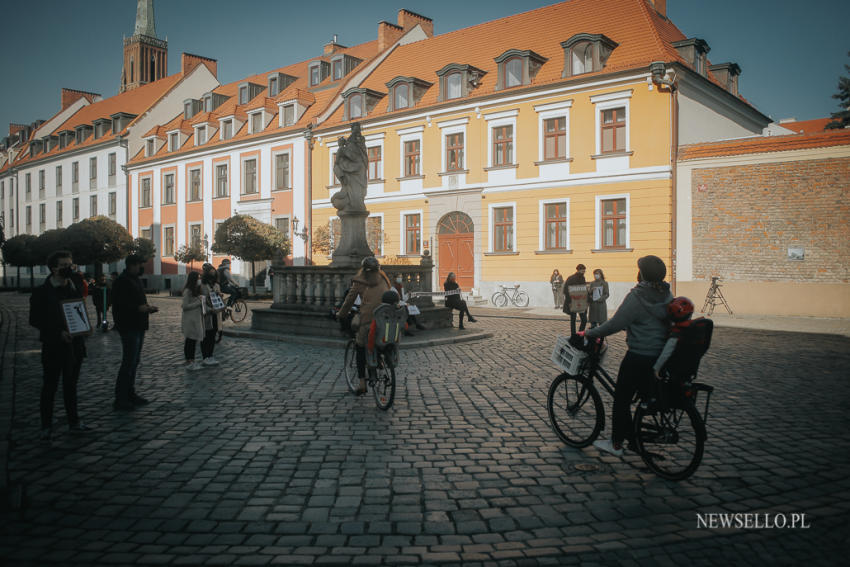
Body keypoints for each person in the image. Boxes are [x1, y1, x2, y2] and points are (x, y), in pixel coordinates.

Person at [584, 255, 673, 456]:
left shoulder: (638, 296)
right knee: (641, 396)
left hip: (639, 355)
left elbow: (615, 324)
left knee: (622, 398)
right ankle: (634, 439)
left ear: (642, 274)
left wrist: (589, 333)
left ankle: (616, 443)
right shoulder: (667, 294)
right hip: (659, 356)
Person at [29, 250, 92, 441]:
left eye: (71, 264)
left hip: (75, 345)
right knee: (50, 386)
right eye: (64, 265)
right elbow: (35, 319)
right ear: (54, 268)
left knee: (71, 385)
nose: (69, 268)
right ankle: (46, 426)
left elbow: (79, 310)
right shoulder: (41, 292)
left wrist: (84, 328)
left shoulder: (73, 287)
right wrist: (57, 333)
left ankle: (74, 422)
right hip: (54, 346)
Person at [337, 256, 391, 395]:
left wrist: (341, 314)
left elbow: (349, 300)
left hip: (368, 321)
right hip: (385, 319)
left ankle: (362, 383)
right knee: (380, 339)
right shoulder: (384, 277)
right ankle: (379, 359)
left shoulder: (360, 281)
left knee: (360, 347)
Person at [112, 254, 159, 410]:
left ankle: (130, 393)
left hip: (139, 324)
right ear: (132, 265)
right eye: (139, 264)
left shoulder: (135, 280)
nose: (141, 267)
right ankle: (121, 397)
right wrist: (139, 308)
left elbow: (139, 301)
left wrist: (146, 308)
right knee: (128, 362)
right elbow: (120, 305)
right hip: (128, 325)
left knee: (134, 361)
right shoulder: (122, 281)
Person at [181, 271, 205, 371]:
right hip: (189, 319)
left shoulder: (196, 290)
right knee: (190, 340)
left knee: (193, 340)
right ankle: (189, 361)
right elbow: (185, 306)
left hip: (196, 318)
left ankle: (191, 360)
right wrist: (198, 302)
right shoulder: (188, 291)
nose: (199, 280)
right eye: (198, 278)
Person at [200, 263, 222, 365]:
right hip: (207, 314)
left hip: (215, 313)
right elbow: (202, 301)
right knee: (206, 336)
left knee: (213, 335)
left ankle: (211, 355)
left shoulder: (217, 285)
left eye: (214, 273)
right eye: (211, 273)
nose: (213, 275)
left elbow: (219, 299)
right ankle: (205, 356)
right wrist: (209, 309)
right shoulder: (202, 285)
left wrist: (220, 296)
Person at [562, 264, 588, 335]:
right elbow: (565, 290)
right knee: (573, 320)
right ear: (579, 270)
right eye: (583, 270)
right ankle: (573, 335)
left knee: (584, 320)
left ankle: (579, 333)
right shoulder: (571, 278)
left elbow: (583, 289)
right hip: (573, 301)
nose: (584, 271)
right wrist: (570, 301)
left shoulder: (583, 278)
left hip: (581, 302)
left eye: (584, 270)